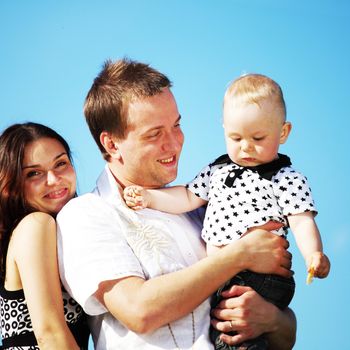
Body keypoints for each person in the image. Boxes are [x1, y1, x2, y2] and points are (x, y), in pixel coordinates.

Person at [56, 58, 296, 350]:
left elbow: (287, 334)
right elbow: (138, 311)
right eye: (154, 134)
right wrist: (238, 255)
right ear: (112, 144)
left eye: (177, 125)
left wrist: (271, 319)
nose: (174, 143)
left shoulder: (206, 207)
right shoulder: (85, 215)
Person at [123, 73, 331, 349]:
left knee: (233, 337)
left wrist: (313, 254)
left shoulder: (285, 177)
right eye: (235, 137)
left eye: (258, 137)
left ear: (283, 132)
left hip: (261, 276)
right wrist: (149, 198)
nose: (246, 147)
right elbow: (186, 196)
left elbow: (302, 221)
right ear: (223, 130)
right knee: (230, 332)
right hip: (225, 276)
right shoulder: (218, 170)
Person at [0, 122, 90, 350]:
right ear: (11, 186)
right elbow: (49, 333)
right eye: (34, 173)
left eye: (60, 163)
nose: (53, 179)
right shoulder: (36, 225)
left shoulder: (59, 232)